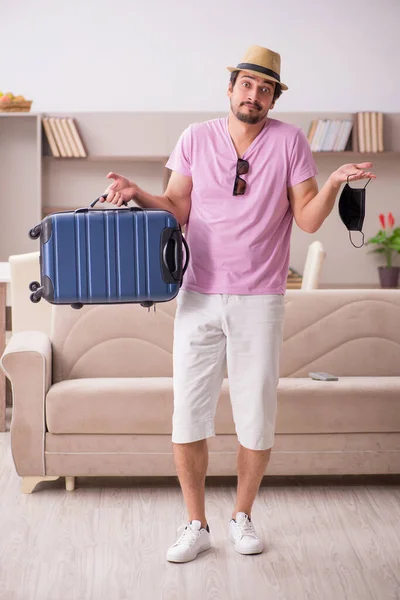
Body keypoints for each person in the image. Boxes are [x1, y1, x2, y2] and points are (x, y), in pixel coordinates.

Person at [101, 45, 376, 563]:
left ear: (273, 97)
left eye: (265, 88)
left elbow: (309, 219)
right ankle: (195, 523)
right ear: (230, 89)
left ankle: (242, 516)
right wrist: (138, 192)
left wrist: (337, 181)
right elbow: (178, 207)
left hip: (261, 299)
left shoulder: (291, 142)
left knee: (256, 416)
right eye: (247, 85)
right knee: (189, 415)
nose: (255, 95)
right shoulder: (195, 138)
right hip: (198, 295)